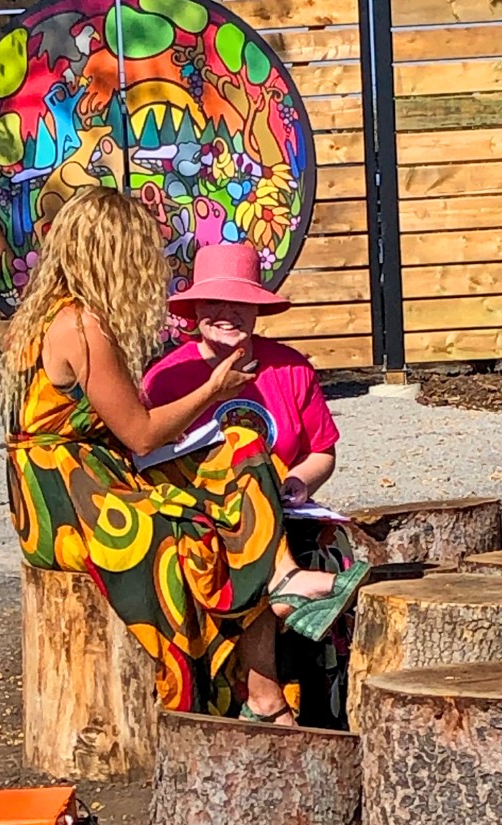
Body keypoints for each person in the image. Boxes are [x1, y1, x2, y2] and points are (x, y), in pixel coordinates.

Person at [0, 187, 369, 726]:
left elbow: (319, 449)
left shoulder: (43, 316)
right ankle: (260, 665)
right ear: (114, 254)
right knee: (199, 532)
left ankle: (276, 623)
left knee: (238, 454)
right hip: (73, 497)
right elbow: (142, 434)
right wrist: (214, 391)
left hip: (57, 487)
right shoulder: (82, 326)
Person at [142, 242, 357, 727]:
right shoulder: (167, 377)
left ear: (257, 308)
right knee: (240, 545)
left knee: (334, 547)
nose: (226, 313)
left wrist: (299, 482)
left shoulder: (290, 367)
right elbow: (152, 456)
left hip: (287, 509)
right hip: (207, 515)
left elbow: (321, 450)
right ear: (195, 309)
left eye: (239, 302)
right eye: (214, 302)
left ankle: (333, 708)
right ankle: (258, 695)